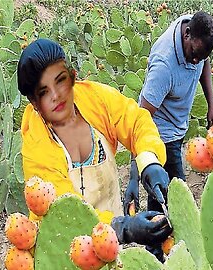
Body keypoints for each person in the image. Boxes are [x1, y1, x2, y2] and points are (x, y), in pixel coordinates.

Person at [18, 38, 172, 262]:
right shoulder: (35, 148)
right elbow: (65, 213)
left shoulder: (96, 99)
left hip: (111, 241)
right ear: (34, 102)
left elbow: (136, 121)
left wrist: (149, 161)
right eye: (43, 92)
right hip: (67, 251)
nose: (56, 95)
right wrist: (123, 228)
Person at [125, 11, 213, 219]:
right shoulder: (164, 67)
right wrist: (133, 175)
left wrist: (211, 105)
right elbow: (140, 119)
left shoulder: (196, 32)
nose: (196, 62)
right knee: (173, 198)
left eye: (201, 57)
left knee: (164, 197)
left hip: (178, 126)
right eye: (194, 54)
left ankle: (157, 244)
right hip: (161, 137)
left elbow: (203, 61)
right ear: (186, 35)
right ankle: (154, 249)